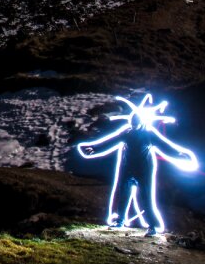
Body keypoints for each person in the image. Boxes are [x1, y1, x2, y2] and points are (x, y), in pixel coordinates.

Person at [76, 94, 198, 235]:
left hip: (144, 170)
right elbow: (111, 141)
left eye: (134, 122)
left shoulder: (148, 134)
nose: (133, 125)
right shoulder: (127, 133)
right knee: (124, 196)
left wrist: (179, 154)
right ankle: (120, 220)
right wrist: (95, 148)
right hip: (128, 169)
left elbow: (164, 146)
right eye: (132, 123)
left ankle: (152, 226)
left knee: (146, 198)